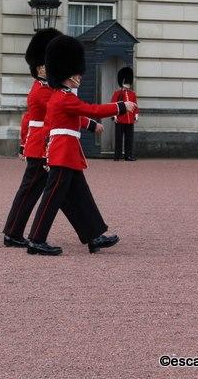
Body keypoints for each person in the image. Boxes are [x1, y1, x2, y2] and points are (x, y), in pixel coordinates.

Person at [26, 35, 136, 256]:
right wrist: (121, 106)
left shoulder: (60, 95)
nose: (80, 76)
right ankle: (36, 239)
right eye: (76, 73)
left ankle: (94, 235)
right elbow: (92, 110)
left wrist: (48, 151)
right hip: (62, 154)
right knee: (52, 198)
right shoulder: (64, 97)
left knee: (81, 195)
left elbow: (48, 127)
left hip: (66, 153)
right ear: (69, 75)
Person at [2, 28, 63, 247]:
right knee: (29, 191)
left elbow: (26, 120)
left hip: (38, 144)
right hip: (41, 146)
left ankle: (13, 232)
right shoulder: (42, 91)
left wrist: (22, 144)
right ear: (40, 67)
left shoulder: (42, 87)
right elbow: (55, 115)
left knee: (33, 191)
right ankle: (13, 233)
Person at [111, 66, 139, 161]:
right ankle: (117, 155)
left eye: (128, 82)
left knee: (129, 139)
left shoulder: (132, 94)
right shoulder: (118, 93)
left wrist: (136, 114)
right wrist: (114, 115)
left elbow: (135, 105)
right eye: (126, 82)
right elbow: (113, 105)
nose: (128, 84)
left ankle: (128, 155)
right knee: (118, 138)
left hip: (129, 119)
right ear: (123, 82)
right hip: (120, 119)